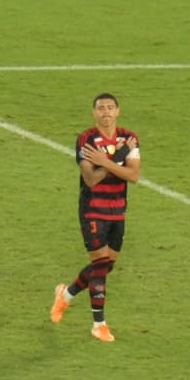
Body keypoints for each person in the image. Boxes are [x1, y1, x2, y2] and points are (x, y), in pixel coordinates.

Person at [50, 93, 141, 342]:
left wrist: (106, 161)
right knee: (100, 265)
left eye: (110, 107)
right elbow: (91, 179)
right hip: (92, 208)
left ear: (118, 111)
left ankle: (65, 295)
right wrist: (118, 157)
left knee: (107, 265)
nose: (106, 112)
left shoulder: (129, 138)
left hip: (118, 208)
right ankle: (99, 324)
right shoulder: (87, 139)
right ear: (94, 113)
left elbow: (133, 176)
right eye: (101, 108)